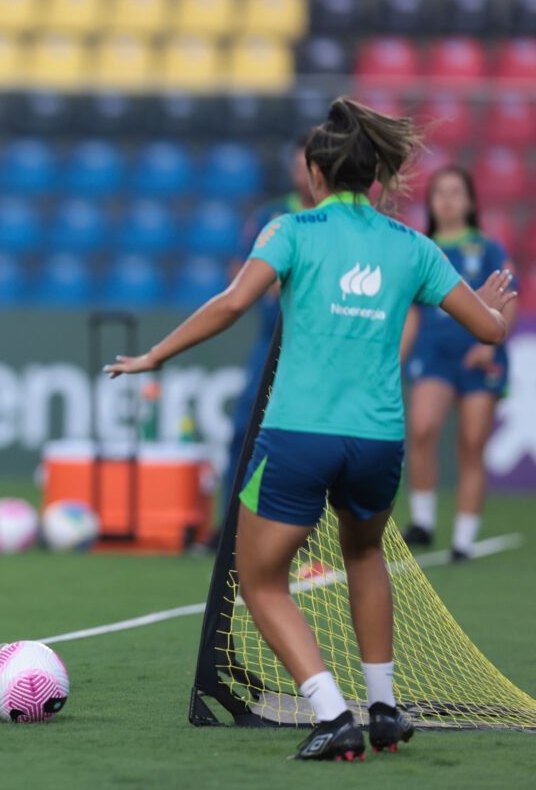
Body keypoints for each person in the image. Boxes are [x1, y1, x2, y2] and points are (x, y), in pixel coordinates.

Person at [105, 98, 515, 760]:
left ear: (318, 175)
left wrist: (156, 354)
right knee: (364, 554)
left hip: (299, 435)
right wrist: (497, 310)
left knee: (260, 577)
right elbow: (490, 330)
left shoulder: (291, 230)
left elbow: (232, 302)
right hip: (379, 441)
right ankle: (383, 706)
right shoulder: (414, 246)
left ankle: (331, 712)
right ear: (375, 178)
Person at [400, 166, 518, 561]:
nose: (447, 199)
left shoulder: (487, 248)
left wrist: (491, 341)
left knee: (471, 444)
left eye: (456, 192)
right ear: (431, 202)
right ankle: (422, 522)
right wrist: (397, 356)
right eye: (440, 192)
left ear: (470, 201)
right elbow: (413, 312)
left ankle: (464, 541)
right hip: (434, 353)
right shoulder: (420, 248)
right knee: (421, 428)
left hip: (480, 356)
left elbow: (509, 297)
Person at [222, 135, 316, 515]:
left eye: (308, 165)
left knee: (311, 441)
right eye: (296, 165)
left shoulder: (336, 222)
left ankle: (310, 531)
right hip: (270, 344)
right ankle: (230, 523)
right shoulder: (270, 217)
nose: (301, 172)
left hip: (317, 349)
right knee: (245, 432)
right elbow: (238, 270)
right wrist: (260, 281)